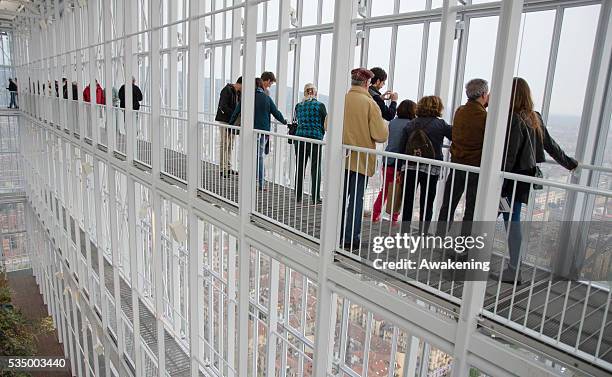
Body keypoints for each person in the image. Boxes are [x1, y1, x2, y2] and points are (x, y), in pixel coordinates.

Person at [499, 78, 577, 284]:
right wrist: (569, 163)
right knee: (511, 218)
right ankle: (513, 267)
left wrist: (498, 181)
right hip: (524, 177)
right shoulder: (535, 117)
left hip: (509, 179)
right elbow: (550, 145)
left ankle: (512, 269)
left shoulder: (512, 118)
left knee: (505, 218)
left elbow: (509, 155)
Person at [341, 68, 388, 250]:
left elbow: (328, 124)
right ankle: (351, 238)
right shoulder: (370, 104)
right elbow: (380, 135)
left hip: (341, 159)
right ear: (368, 84)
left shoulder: (341, 99)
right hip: (361, 160)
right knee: (356, 200)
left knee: (340, 198)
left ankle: (335, 234)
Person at [437, 78, 489, 228]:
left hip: (457, 161)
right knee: (471, 207)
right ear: (484, 94)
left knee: (449, 203)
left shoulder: (460, 111)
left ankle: (440, 236)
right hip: (475, 165)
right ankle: (465, 243)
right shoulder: (484, 117)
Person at [401, 96, 452, 233]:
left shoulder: (410, 124)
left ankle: (404, 230)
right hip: (431, 167)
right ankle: (423, 232)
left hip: (410, 165)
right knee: (427, 201)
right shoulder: (441, 125)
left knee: (408, 199)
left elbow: (403, 146)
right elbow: (455, 136)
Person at [229, 78, 287, 190]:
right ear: (261, 86)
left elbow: (236, 112)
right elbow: (276, 113)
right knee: (259, 157)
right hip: (262, 132)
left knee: (247, 155)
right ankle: (261, 183)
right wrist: (284, 122)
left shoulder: (247, 98)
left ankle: (247, 180)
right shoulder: (266, 98)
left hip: (248, 132)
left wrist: (230, 124)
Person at [371, 99, 416, 223]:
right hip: (400, 162)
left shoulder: (393, 122)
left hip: (387, 160)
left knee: (385, 189)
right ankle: (394, 218)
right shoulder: (411, 124)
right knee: (399, 190)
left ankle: (375, 214)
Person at [293, 83, 327, 204]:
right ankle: (315, 197)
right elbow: (325, 123)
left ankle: (298, 196)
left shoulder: (298, 106)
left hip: (300, 139)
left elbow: (296, 120)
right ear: (316, 93)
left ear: (305, 92)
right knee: (315, 168)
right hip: (314, 140)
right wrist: (321, 132)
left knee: (300, 167)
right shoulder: (320, 106)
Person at [215, 77, 242, 177]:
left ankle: (228, 167)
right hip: (225, 121)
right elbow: (223, 106)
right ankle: (223, 169)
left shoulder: (237, 93)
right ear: (240, 83)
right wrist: (234, 114)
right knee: (225, 144)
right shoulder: (227, 90)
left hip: (232, 122)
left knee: (230, 145)